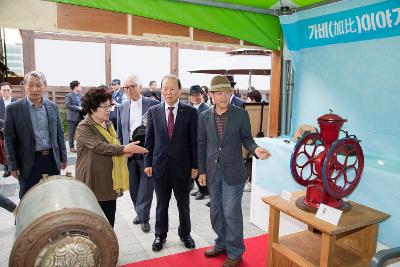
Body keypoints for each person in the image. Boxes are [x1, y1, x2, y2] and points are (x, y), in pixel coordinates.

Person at [198, 75, 271, 267]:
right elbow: (201, 145)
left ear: (231, 93)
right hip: (213, 171)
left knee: (231, 212)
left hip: (233, 170)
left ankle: (235, 251)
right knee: (216, 211)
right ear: (212, 95)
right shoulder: (204, 116)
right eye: (219, 93)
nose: (224, 96)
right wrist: (202, 172)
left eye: (227, 92)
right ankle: (221, 243)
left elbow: (247, 139)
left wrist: (256, 149)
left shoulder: (240, 114)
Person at [75, 87, 148, 227]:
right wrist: (124, 148)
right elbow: (100, 147)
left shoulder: (108, 123)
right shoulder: (84, 127)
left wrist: (124, 151)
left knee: (109, 218)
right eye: (104, 107)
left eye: (109, 105)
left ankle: (108, 245)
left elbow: (114, 144)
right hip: (92, 178)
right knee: (94, 221)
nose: (108, 109)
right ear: (92, 108)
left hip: (109, 178)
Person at [144, 74, 198, 251]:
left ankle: (185, 234)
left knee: (183, 204)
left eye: (172, 88)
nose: (168, 92)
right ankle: (160, 235)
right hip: (160, 167)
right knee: (161, 204)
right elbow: (149, 141)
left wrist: (195, 166)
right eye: (165, 88)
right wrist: (147, 163)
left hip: (183, 168)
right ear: (161, 90)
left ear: (179, 90)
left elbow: (194, 142)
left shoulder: (190, 112)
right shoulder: (153, 111)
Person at [4, 71, 67, 199]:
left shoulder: (52, 107)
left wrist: (63, 157)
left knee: (52, 197)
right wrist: (13, 165)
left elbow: (59, 134)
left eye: (38, 85)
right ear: (25, 86)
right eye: (30, 85)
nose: (34, 89)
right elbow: (9, 139)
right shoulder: (13, 109)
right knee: (28, 199)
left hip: (51, 160)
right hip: (28, 162)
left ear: (45, 86)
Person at [117, 74, 158, 233]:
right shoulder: (122, 107)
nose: (129, 90)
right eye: (126, 87)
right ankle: (139, 212)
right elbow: (121, 132)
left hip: (148, 151)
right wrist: (123, 149)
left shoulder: (153, 104)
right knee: (134, 188)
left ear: (140, 87)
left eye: (132, 86)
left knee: (146, 188)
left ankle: (144, 217)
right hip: (130, 152)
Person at [188, 85, 209, 201]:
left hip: (201, 142)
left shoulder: (206, 108)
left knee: (201, 166)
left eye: (197, 95)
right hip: (192, 142)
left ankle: (204, 190)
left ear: (202, 95)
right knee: (194, 166)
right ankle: (200, 188)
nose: (195, 97)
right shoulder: (190, 108)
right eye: (193, 95)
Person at [0, 82, 18, 177]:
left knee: (14, 148)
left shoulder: (16, 101)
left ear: (11, 90)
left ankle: (15, 166)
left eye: (8, 90)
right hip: (1, 130)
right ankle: (7, 169)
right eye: (4, 90)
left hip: (14, 130)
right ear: (0, 91)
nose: (6, 92)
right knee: (4, 150)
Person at [65, 80, 82, 153]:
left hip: (80, 116)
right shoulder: (69, 95)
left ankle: (80, 145)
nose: (80, 87)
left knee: (81, 131)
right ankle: (71, 147)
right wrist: (78, 108)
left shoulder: (79, 95)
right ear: (75, 87)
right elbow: (67, 105)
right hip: (72, 117)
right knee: (71, 133)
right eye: (79, 86)